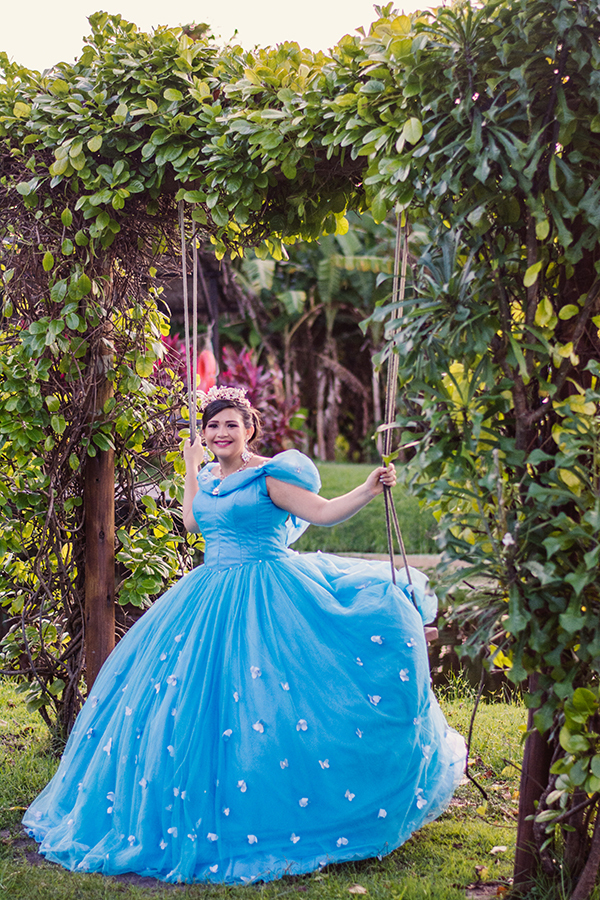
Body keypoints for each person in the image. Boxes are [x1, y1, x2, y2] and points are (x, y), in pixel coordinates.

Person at [23, 385, 466, 884]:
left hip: (269, 587)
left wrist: (366, 488)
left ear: (249, 429)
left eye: (231, 424)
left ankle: (309, 807)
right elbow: (194, 522)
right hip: (209, 592)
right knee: (194, 701)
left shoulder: (270, 476)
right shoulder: (208, 476)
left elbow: (320, 513)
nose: (220, 433)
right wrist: (189, 469)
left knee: (276, 696)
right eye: (212, 425)